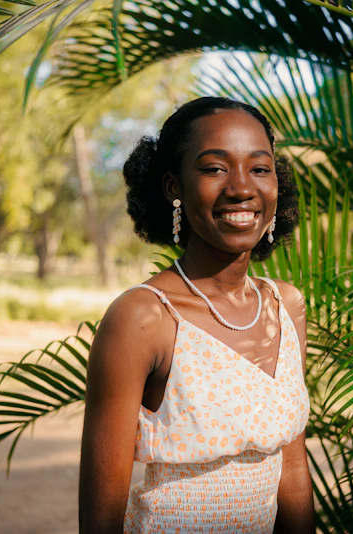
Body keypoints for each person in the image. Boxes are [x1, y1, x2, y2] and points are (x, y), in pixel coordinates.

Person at [78, 96, 314, 533]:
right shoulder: (143, 318)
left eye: (259, 168)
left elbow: (293, 472)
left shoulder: (287, 306)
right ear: (173, 187)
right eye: (214, 168)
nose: (242, 187)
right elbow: (100, 519)